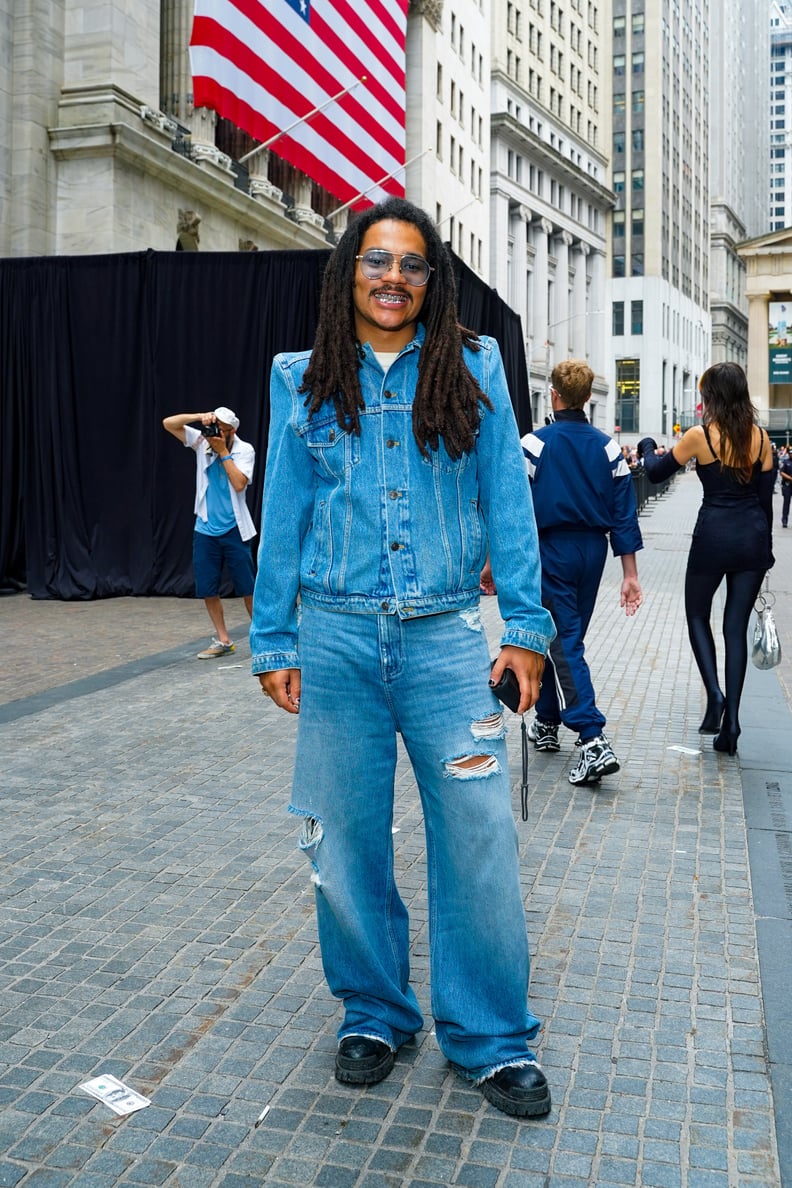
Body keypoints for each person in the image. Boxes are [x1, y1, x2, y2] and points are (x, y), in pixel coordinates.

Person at [250, 197, 556, 1118]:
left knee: (479, 842)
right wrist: (273, 637)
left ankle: (491, 1037)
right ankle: (375, 1013)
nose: (393, 278)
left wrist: (527, 630)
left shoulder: (473, 366)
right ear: (349, 271)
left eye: (412, 265)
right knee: (341, 844)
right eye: (376, 261)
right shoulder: (301, 378)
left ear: (432, 279)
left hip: (446, 641)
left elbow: (509, 497)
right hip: (335, 641)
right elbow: (285, 516)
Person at [515, 360, 643, 785]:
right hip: (593, 552)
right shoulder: (608, 448)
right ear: (588, 397)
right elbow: (625, 515)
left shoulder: (533, 444)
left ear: (554, 394)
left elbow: (511, 507)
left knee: (564, 641)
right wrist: (630, 574)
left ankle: (592, 738)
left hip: (549, 549)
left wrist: (495, 561)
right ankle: (548, 722)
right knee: (564, 640)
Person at [639, 362, 774, 754]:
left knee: (697, 614)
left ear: (712, 396)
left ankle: (715, 695)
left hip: (712, 537)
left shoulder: (701, 436)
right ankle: (731, 723)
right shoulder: (762, 440)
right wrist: (764, 555)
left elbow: (657, 473)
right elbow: (765, 505)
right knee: (735, 629)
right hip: (751, 541)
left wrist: (648, 447)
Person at [162, 406, 256, 657]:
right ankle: (224, 640)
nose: (215, 433)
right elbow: (169, 423)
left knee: (248, 588)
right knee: (207, 587)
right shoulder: (202, 442)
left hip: (234, 528)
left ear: (232, 431)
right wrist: (199, 417)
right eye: (214, 427)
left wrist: (223, 452)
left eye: (221, 430)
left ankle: (262, 639)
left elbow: (238, 484)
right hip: (205, 528)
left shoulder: (244, 449)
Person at [779, 446, 792, 527]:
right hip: (787, 485)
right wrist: (790, 478)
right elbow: (781, 472)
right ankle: (784, 520)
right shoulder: (785, 462)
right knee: (786, 503)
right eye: (790, 453)